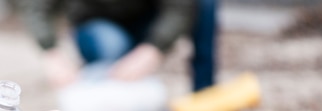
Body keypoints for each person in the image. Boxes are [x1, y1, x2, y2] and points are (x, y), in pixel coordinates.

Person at [16, 0, 217, 92]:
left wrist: (155, 48)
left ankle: (204, 90)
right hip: (98, 24)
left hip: (145, 18)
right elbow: (35, 5)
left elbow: (180, 6)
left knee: (204, 3)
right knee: (111, 47)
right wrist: (50, 50)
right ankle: (105, 82)